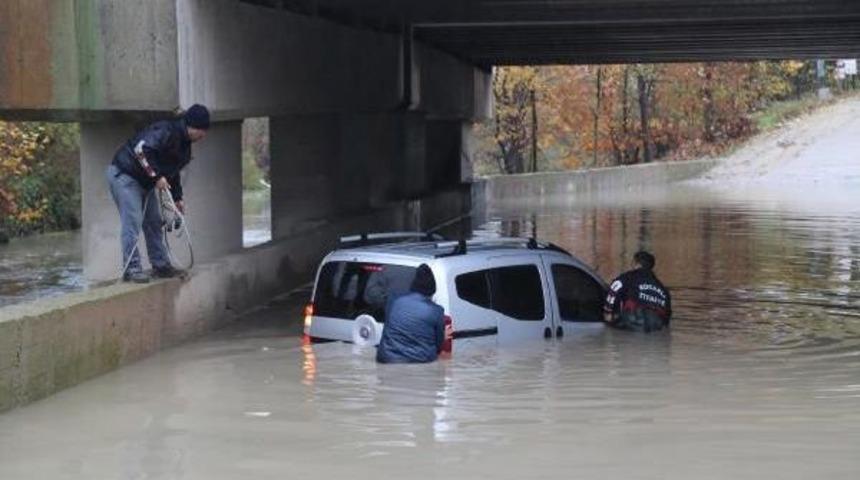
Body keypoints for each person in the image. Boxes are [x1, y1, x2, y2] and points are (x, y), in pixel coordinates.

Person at [106, 104, 210, 283]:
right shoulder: (165, 131)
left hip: (144, 181)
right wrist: (156, 176)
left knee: (153, 221)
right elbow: (141, 150)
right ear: (191, 126)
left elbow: (174, 172)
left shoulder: (185, 147)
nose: (204, 135)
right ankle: (132, 269)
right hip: (125, 175)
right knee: (133, 221)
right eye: (202, 130)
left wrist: (177, 198)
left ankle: (161, 265)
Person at [376, 264, 445, 364]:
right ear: (432, 291)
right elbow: (439, 344)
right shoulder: (436, 311)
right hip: (419, 361)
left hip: (387, 358)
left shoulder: (396, 302)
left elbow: (387, 330)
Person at [604, 251, 672, 332]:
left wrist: (608, 312)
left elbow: (614, 289)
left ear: (636, 264)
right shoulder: (662, 288)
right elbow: (667, 316)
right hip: (656, 325)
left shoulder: (627, 277)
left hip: (632, 320)